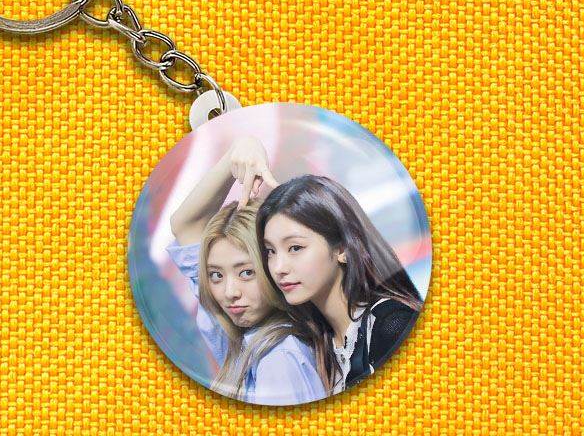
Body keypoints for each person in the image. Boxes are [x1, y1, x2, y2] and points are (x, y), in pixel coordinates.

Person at [167, 138, 325, 405]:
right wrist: (236, 153)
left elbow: (185, 224)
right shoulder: (237, 333)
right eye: (216, 275)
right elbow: (184, 225)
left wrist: (240, 149)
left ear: (274, 268)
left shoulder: (277, 358)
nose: (230, 293)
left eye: (246, 273)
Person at [257, 174, 423, 394]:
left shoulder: (392, 326)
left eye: (295, 248)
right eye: (270, 251)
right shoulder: (317, 344)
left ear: (343, 248)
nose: (278, 267)